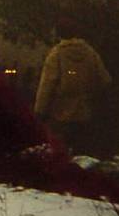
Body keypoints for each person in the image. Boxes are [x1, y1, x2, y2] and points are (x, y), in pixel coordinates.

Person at [34, 18, 111, 154]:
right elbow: (105, 80)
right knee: (78, 156)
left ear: (59, 34)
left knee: (57, 152)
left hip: (59, 113)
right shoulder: (90, 53)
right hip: (83, 113)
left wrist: (39, 111)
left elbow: (47, 85)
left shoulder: (56, 54)